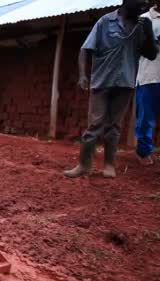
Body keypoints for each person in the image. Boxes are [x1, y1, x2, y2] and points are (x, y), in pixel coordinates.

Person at [64, 0, 158, 179]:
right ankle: (83, 165)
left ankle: (109, 165)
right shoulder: (105, 21)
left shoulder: (142, 25)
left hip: (125, 83)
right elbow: (85, 49)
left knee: (114, 127)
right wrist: (83, 75)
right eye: (140, 2)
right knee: (95, 125)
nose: (144, 5)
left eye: (146, 3)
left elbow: (151, 54)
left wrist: (148, 32)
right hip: (102, 82)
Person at [135, 0, 160, 166]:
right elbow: (137, 47)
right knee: (146, 117)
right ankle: (143, 152)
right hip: (149, 76)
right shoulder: (144, 19)